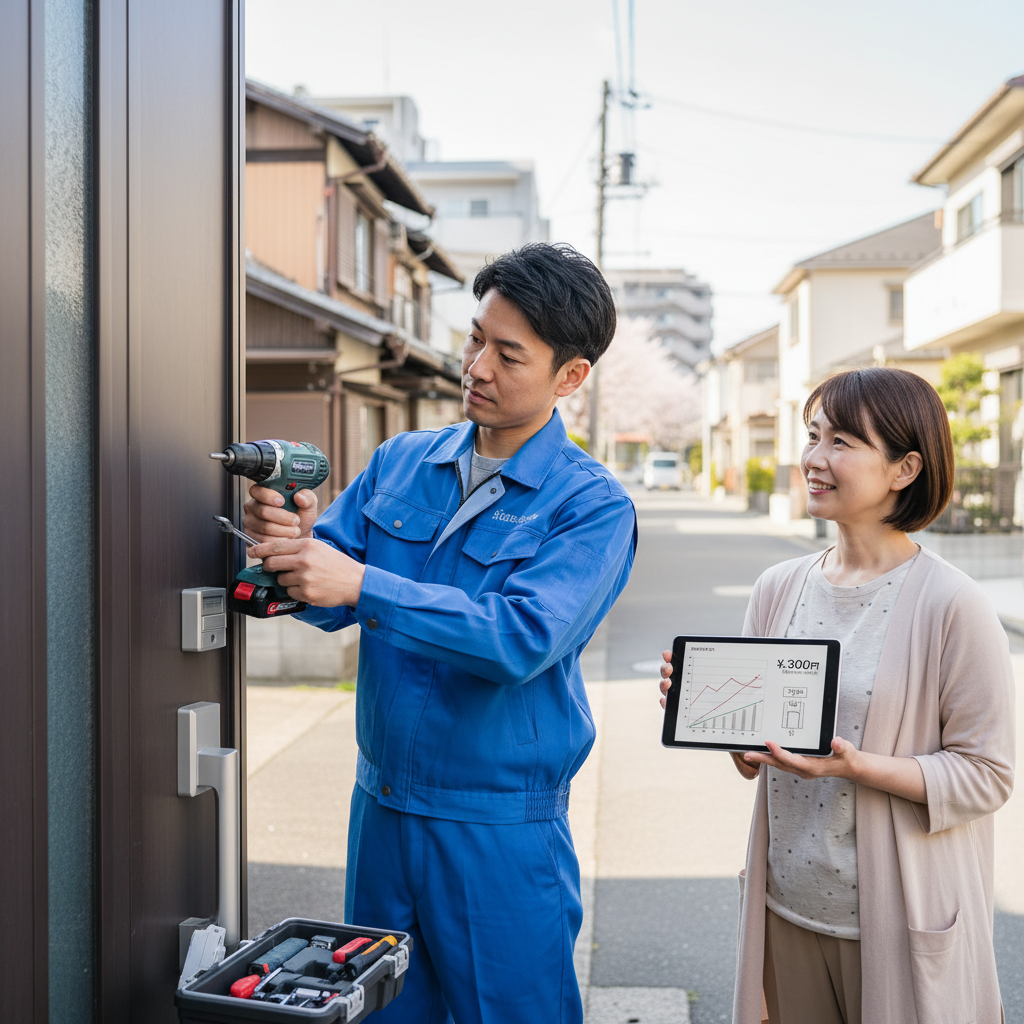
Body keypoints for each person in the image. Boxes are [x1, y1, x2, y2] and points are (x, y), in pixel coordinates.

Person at [244, 242, 637, 1024]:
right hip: (382, 811)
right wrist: (285, 551)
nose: (477, 366)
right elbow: (325, 597)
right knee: (379, 1013)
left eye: (508, 354)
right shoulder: (403, 462)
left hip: (497, 829)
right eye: (475, 338)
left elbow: (520, 637)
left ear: (571, 376)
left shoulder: (590, 508)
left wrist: (361, 582)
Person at [659, 367, 1015, 1024]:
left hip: (899, 919)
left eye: (843, 442)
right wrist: (711, 713)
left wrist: (857, 767)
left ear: (905, 469)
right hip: (787, 909)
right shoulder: (778, 586)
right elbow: (757, 759)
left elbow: (988, 776)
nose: (814, 460)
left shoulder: (952, 604)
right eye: (813, 435)